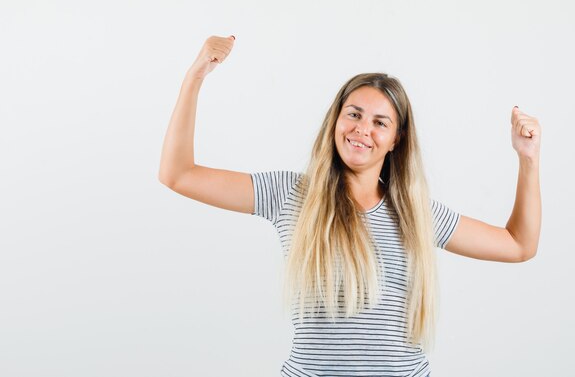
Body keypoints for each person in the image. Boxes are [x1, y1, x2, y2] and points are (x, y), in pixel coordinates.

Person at [158, 35, 542, 377]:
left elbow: (518, 245)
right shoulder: (289, 194)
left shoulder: (416, 213)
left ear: (396, 139)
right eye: (354, 114)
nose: (362, 129)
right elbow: (178, 174)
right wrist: (195, 77)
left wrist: (528, 158)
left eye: (380, 122)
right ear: (336, 120)